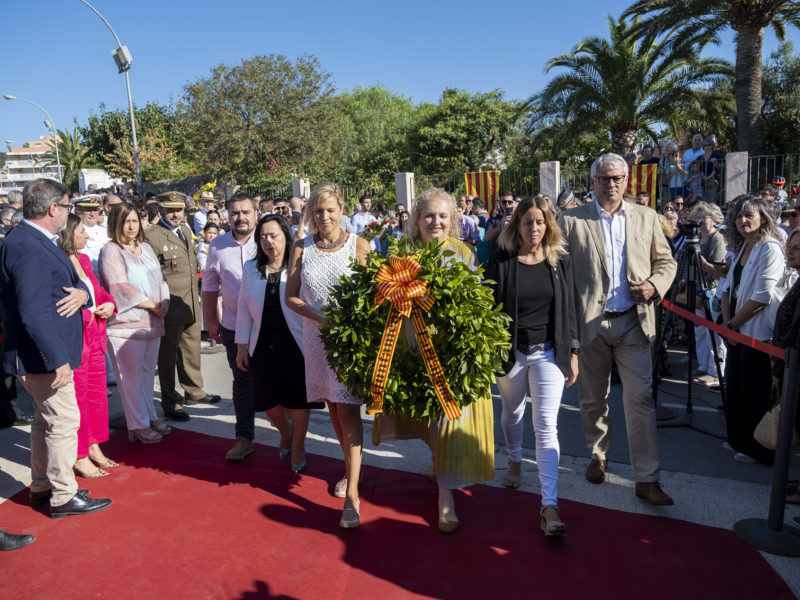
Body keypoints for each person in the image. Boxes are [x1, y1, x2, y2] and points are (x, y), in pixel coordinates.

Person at [372, 188, 496, 533]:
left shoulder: (464, 253)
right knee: (426, 413)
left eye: (443, 216)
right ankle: (437, 462)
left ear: (453, 219)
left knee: (447, 418)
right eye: (429, 216)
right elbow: (383, 293)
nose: (436, 222)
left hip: (448, 348)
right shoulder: (402, 254)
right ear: (417, 220)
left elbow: (475, 301)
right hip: (411, 342)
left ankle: (446, 495)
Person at [558, 153, 677, 505]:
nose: (611, 184)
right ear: (592, 181)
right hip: (590, 324)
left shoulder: (646, 217)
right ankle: (598, 455)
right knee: (593, 398)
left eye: (617, 178)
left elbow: (666, 262)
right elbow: (560, 272)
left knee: (640, 397)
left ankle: (647, 478)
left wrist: (655, 285)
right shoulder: (570, 220)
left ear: (627, 180)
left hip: (633, 323)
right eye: (604, 178)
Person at [0, 178, 111, 518]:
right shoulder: (28, 245)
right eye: (66, 207)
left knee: (44, 422)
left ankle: (42, 486)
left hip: (42, 354)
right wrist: (57, 359)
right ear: (53, 209)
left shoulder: (34, 240)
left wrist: (80, 293)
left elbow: (73, 281)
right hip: (41, 356)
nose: (69, 213)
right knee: (64, 422)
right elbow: (33, 311)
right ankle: (64, 495)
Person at [488, 196, 579, 536]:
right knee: (512, 413)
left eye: (540, 222)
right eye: (528, 222)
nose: (534, 228)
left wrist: (573, 353)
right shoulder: (501, 261)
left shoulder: (560, 262)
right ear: (517, 226)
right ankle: (514, 458)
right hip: (510, 354)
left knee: (546, 425)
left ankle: (549, 506)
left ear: (548, 225)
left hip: (548, 353)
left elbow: (569, 309)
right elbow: (488, 307)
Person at [285, 182, 370, 529]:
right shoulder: (301, 248)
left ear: (341, 210)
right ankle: (351, 470)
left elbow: (370, 296)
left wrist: (348, 324)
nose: (324, 217)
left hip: (348, 342)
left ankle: (352, 494)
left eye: (330, 210)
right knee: (333, 407)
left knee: (347, 410)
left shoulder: (359, 245)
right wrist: (320, 317)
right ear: (310, 214)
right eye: (318, 211)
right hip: (316, 340)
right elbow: (291, 297)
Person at [235, 215, 323, 472]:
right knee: (265, 400)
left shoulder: (300, 267)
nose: (268, 241)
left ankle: (298, 445)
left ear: (286, 237)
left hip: (296, 342)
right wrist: (241, 345)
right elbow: (243, 308)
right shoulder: (251, 268)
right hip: (263, 344)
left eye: (274, 235)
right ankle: (286, 431)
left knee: (298, 399)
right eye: (263, 237)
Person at [99, 203, 171, 444]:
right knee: (129, 378)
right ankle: (137, 425)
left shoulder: (146, 247)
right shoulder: (111, 250)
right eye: (125, 221)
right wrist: (151, 304)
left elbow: (160, 278)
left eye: (134, 220)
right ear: (115, 224)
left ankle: (149, 416)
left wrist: (165, 301)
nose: (131, 226)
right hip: (126, 324)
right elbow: (119, 286)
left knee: (148, 374)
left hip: (153, 320)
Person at [144, 192, 220, 422]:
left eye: (179, 209)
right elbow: (150, 275)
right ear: (161, 210)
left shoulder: (186, 231)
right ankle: (170, 401)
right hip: (168, 306)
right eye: (170, 210)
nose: (176, 214)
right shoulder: (153, 237)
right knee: (167, 357)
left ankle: (194, 390)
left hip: (190, 304)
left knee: (191, 350)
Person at [721, 194, 785, 465]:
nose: (743, 220)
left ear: (763, 219)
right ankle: (739, 439)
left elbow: (763, 296)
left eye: (749, 215)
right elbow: (725, 290)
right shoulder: (743, 248)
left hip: (757, 334)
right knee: (736, 387)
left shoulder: (770, 248)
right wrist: (728, 326)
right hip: (736, 332)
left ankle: (758, 448)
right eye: (738, 216)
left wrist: (734, 325)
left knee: (755, 392)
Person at [58, 214, 118, 477]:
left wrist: (109, 304)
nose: (88, 235)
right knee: (78, 400)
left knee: (95, 397)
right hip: (77, 339)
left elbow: (99, 292)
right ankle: (79, 454)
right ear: (68, 233)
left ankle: (93, 446)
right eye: (82, 230)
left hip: (96, 335)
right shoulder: (58, 263)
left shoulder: (83, 260)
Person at [202, 194, 258, 461]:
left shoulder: (269, 239)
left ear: (255, 213)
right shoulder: (218, 246)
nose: (241, 217)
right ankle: (244, 437)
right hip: (234, 328)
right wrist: (212, 321)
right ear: (227, 216)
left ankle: (288, 432)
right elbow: (210, 286)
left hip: (268, 327)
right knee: (243, 383)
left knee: (273, 379)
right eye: (235, 213)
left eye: (246, 212)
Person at [768, 226, 800, 505]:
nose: (790, 252)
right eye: (790, 246)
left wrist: (780, 369)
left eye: (797, 248)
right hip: (788, 364)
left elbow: (792, 330)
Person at [687, 202, 728, 385]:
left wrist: (702, 291)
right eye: (699, 216)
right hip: (695, 288)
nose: (701, 220)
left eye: (705, 216)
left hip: (709, 291)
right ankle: (704, 365)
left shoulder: (717, 239)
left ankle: (715, 370)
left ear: (714, 219)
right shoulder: (696, 237)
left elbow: (718, 270)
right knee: (700, 332)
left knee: (713, 333)